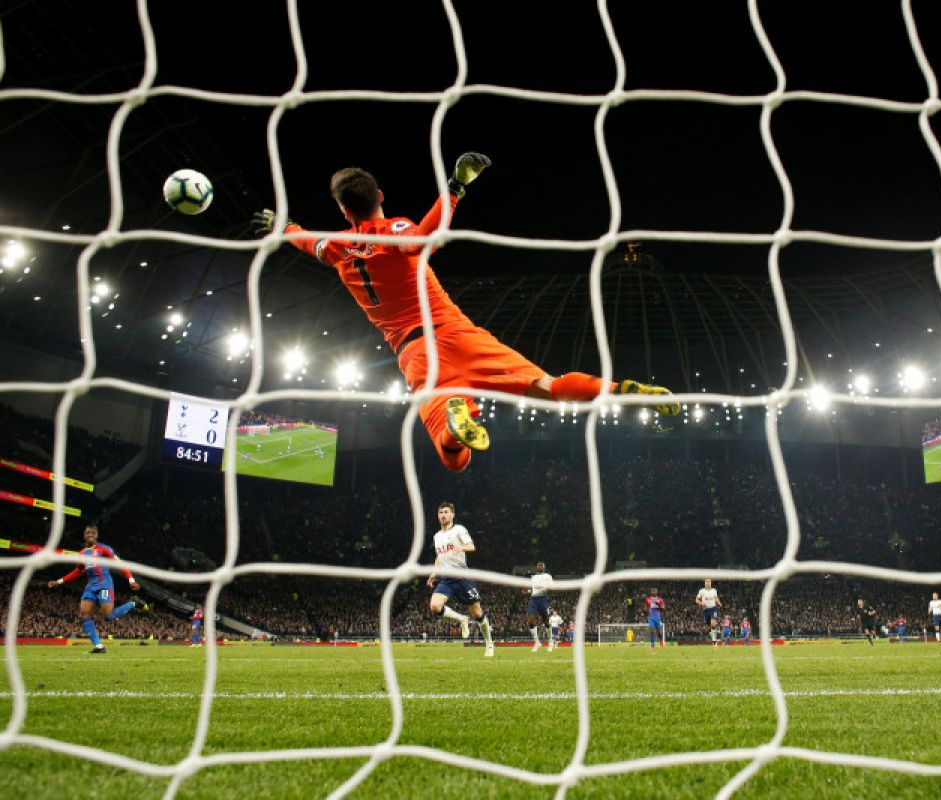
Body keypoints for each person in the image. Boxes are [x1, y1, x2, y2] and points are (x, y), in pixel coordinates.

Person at [253, 155, 679, 473]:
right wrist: (455, 187)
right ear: (380, 197)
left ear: (344, 212)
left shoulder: (336, 248)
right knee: (549, 387)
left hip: (414, 352)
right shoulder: (394, 229)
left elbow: (307, 241)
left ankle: (456, 415)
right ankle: (621, 389)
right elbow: (424, 237)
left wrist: (285, 226)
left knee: (455, 461)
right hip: (458, 333)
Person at [47, 524, 147, 654]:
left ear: (97, 535)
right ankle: (99, 646)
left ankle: (133, 602)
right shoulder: (82, 553)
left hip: (104, 584)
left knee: (108, 616)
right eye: (88, 533)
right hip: (90, 587)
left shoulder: (104, 549)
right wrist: (59, 581)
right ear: (84, 535)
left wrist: (131, 579)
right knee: (84, 615)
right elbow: (79, 571)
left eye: (93, 533)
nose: (90, 535)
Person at [427, 502, 494, 656]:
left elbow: (471, 546)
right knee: (435, 606)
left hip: (463, 577)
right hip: (446, 579)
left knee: (477, 613)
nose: (442, 515)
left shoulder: (459, 530)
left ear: (452, 515)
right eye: (440, 512)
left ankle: (489, 644)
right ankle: (462, 619)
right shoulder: (437, 536)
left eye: (445, 512)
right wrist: (433, 574)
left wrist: (461, 547)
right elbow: (439, 556)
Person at [524, 561, 552, 652]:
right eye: (538, 565)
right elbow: (531, 589)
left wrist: (543, 589)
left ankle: (550, 642)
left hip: (543, 599)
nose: (539, 566)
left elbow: (550, 586)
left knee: (546, 621)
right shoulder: (533, 577)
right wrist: (527, 592)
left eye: (541, 565)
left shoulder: (548, 576)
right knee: (530, 620)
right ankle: (537, 643)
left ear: (544, 568)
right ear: (536, 567)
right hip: (534, 599)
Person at [695, 578, 722, 645]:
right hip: (706, 610)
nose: (708, 583)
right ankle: (714, 634)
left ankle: (714, 640)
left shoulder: (714, 590)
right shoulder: (701, 591)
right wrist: (701, 603)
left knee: (713, 623)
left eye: (709, 582)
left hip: (713, 608)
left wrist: (719, 602)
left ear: (711, 583)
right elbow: (696, 600)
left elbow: (716, 598)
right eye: (706, 582)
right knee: (709, 626)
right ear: (704, 583)